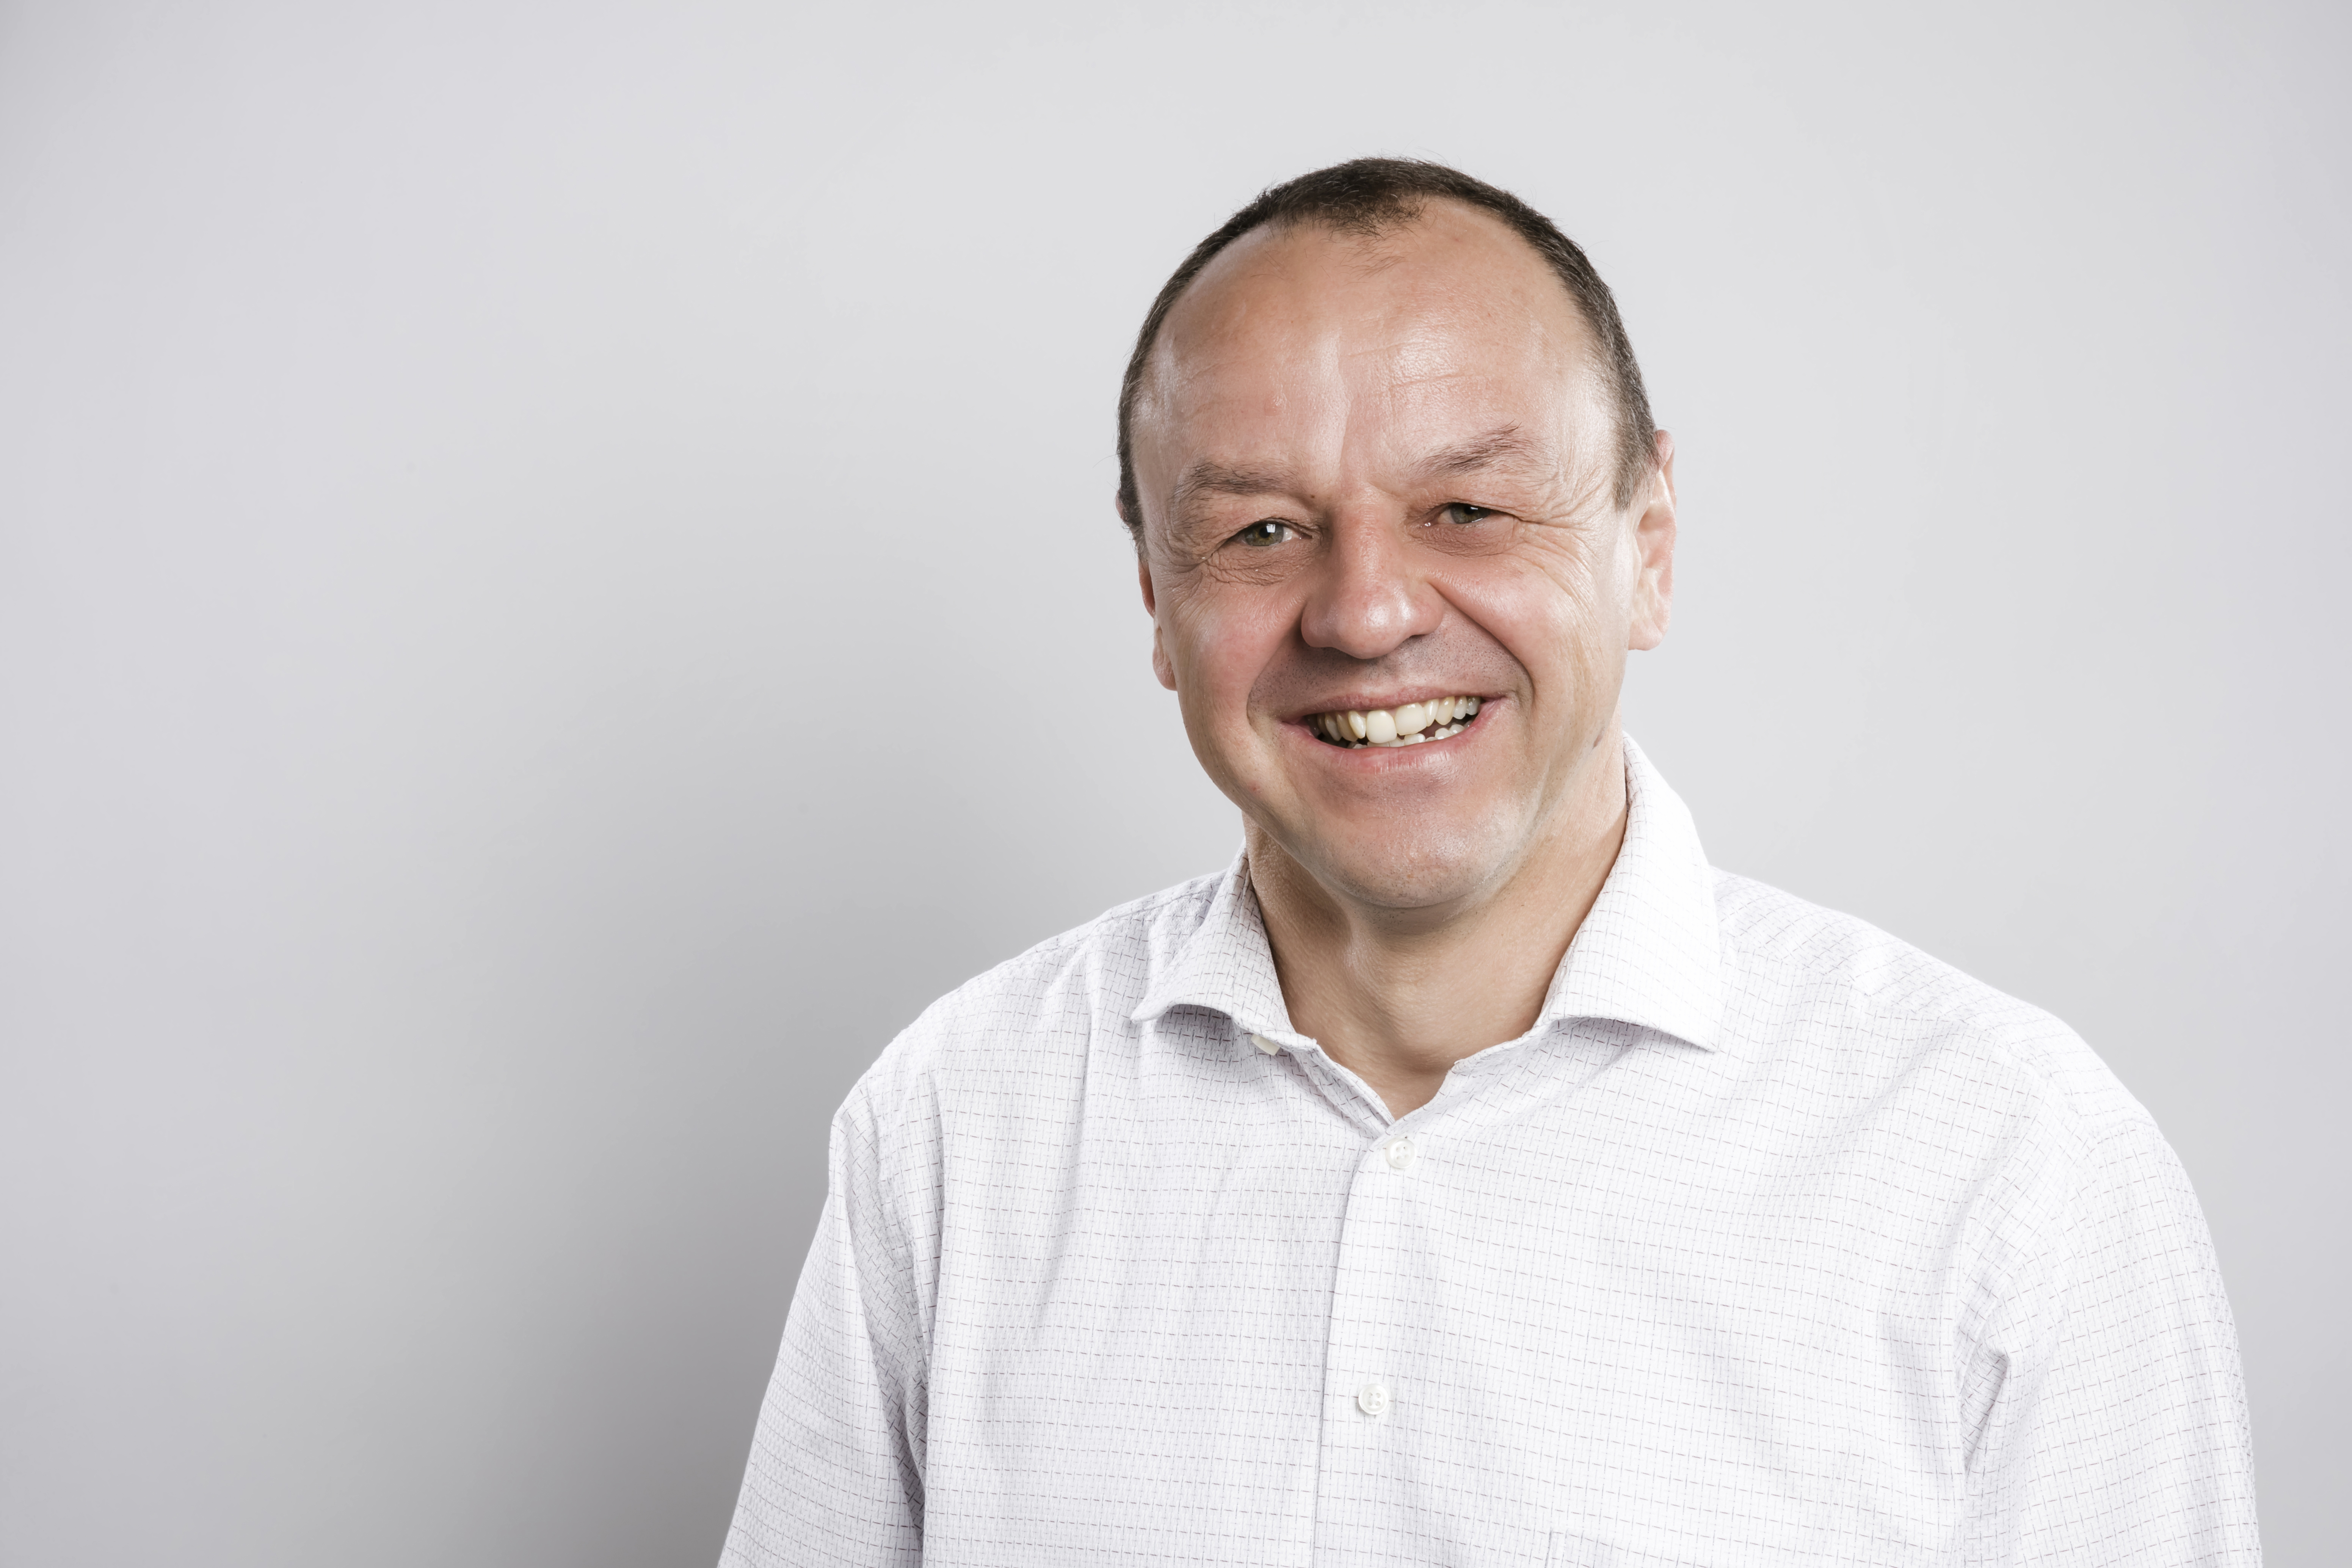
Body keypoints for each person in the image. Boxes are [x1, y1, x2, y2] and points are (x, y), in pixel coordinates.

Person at [718, 159, 2258, 1567]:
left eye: (1467, 508)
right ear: (1155, 604)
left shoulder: (2008, 1168)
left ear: (1648, 544)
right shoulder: (952, 1125)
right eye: (1262, 532)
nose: (1366, 611)